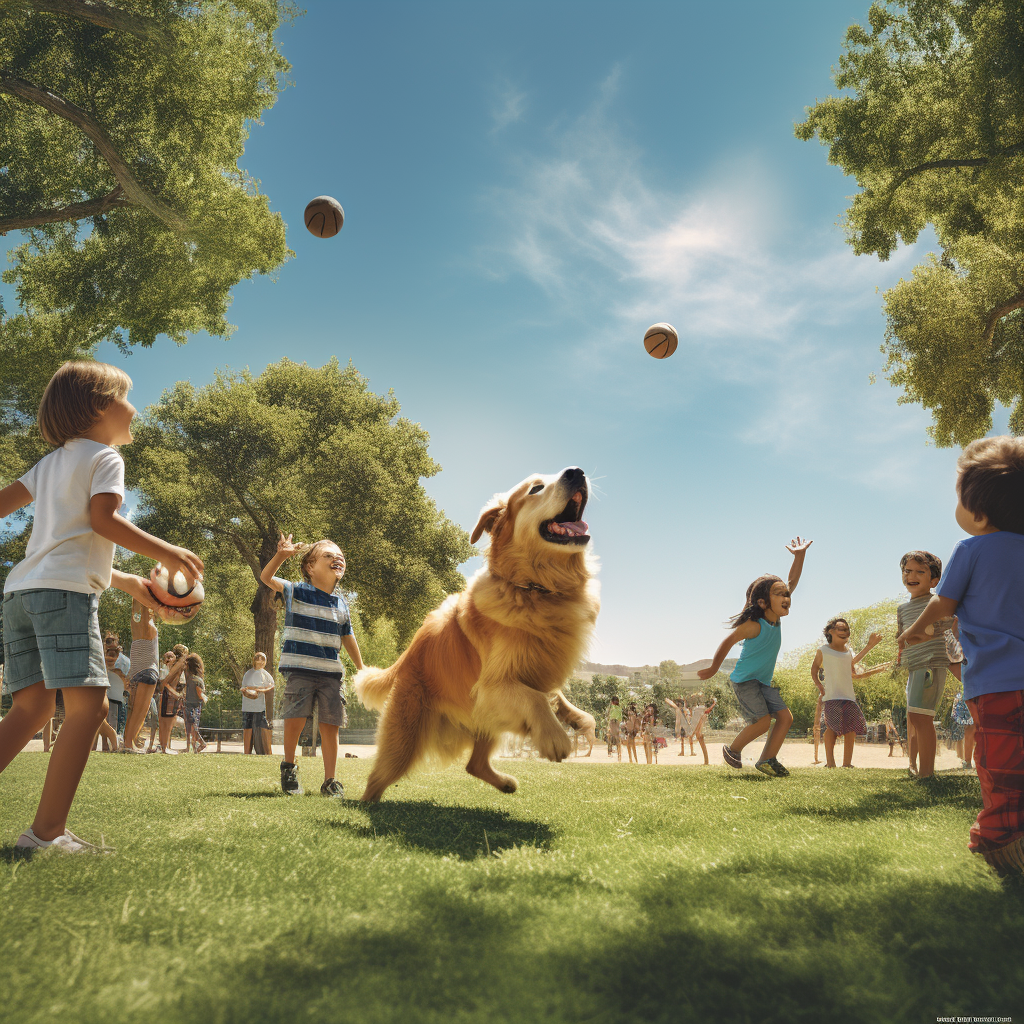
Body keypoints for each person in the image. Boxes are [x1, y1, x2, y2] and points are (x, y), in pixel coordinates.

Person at [0, 361, 202, 852]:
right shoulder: (105, 457)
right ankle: (46, 833)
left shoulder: (48, 465)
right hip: (64, 596)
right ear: (99, 406)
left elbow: (65, 545)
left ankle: (46, 830)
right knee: (88, 709)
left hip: (20, 593)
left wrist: (131, 580)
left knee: (30, 707)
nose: (134, 407)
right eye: (126, 397)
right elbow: (103, 520)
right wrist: (165, 551)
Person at [898, 436, 1024, 873]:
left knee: (1001, 768)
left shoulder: (969, 549)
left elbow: (942, 605)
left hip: (998, 685)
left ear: (979, 512)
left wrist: (913, 631)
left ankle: (1001, 844)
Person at [260, 533, 365, 798]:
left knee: (331, 724)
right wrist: (281, 556)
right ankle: (289, 768)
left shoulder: (341, 603)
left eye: (340, 556)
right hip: (300, 669)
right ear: (310, 567)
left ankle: (330, 780)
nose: (337, 558)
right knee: (295, 719)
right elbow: (266, 578)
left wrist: (361, 667)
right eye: (329, 555)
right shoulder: (296, 590)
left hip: (331, 673)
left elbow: (347, 637)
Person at [698, 537, 812, 777]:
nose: (787, 598)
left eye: (787, 594)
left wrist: (799, 556)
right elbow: (728, 641)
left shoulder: (776, 619)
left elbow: (792, 581)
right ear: (763, 602)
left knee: (784, 718)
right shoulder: (754, 625)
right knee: (762, 722)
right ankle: (733, 750)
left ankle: (767, 760)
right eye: (780, 594)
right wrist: (713, 668)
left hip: (762, 681)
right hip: (745, 681)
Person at [896, 550, 957, 779]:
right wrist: (900, 658)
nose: (912, 575)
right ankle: (919, 770)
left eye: (920, 571)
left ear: (933, 580)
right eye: (907, 570)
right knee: (915, 717)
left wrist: (923, 636)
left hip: (931, 664)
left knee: (922, 717)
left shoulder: (935, 602)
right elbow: (902, 637)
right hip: (915, 667)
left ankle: (927, 774)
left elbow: (947, 630)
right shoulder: (902, 609)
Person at [809, 618, 888, 768]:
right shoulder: (823, 650)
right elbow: (814, 669)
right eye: (841, 628)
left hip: (848, 696)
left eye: (847, 629)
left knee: (851, 729)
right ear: (830, 632)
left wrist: (870, 646)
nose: (845, 632)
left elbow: (852, 665)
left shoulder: (848, 652)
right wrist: (819, 685)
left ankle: (847, 764)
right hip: (832, 696)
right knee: (831, 728)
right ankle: (830, 763)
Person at [122, 602, 163, 752]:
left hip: (135, 671)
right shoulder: (150, 626)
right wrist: (147, 600)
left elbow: (136, 611)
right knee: (140, 713)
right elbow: (145, 610)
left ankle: (128, 743)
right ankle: (127, 744)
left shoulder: (135, 625)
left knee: (133, 711)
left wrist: (136, 596)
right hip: (148, 670)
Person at [156, 644, 189, 753]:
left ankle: (164, 746)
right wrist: (175, 693)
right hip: (171, 695)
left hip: (171, 695)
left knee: (166, 722)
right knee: (167, 722)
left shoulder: (178, 665)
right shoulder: (179, 664)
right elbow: (165, 682)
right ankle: (164, 747)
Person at [241, 652, 276, 755]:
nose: (260, 662)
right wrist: (247, 692)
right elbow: (244, 688)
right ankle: (247, 752)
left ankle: (265, 752)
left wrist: (260, 690)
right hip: (247, 707)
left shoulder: (265, 674)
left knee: (262, 729)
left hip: (259, 708)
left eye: (263, 660)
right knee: (247, 728)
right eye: (258, 660)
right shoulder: (248, 674)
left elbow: (271, 685)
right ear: (254, 661)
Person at [100, 632, 130, 751]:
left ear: (117, 642)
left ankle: (114, 745)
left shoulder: (124, 660)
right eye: (107, 640)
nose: (109, 643)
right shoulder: (100, 656)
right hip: (104, 693)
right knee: (102, 719)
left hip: (117, 696)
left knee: (114, 721)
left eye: (112, 640)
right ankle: (104, 745)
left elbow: (127, 679)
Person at [181, 653, 208, 753]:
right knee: (190, 728)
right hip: (191, 705)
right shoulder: (192, 679)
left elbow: (199, 693)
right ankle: (191, 747)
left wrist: (203, 698)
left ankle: (201, 743)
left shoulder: (194, 680)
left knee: (192, 727)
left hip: (192, 706)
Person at [686, 691, 717, 765]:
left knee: (697, 736)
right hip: (696, 725)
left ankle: (706, 761)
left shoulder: (700, 709)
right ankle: (705, 760)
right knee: (694, 736)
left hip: (698, 726)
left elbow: (706, 712)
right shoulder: (696, 708)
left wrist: (713, 704)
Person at [605, 695, 622, 759]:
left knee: (612, 737)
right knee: (614, 738)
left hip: (614, 722)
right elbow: (619, 717)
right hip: (614, 722)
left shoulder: (614, 708)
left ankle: (614, 752)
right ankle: (615, 752)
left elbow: (609, 716)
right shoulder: (615, 708)